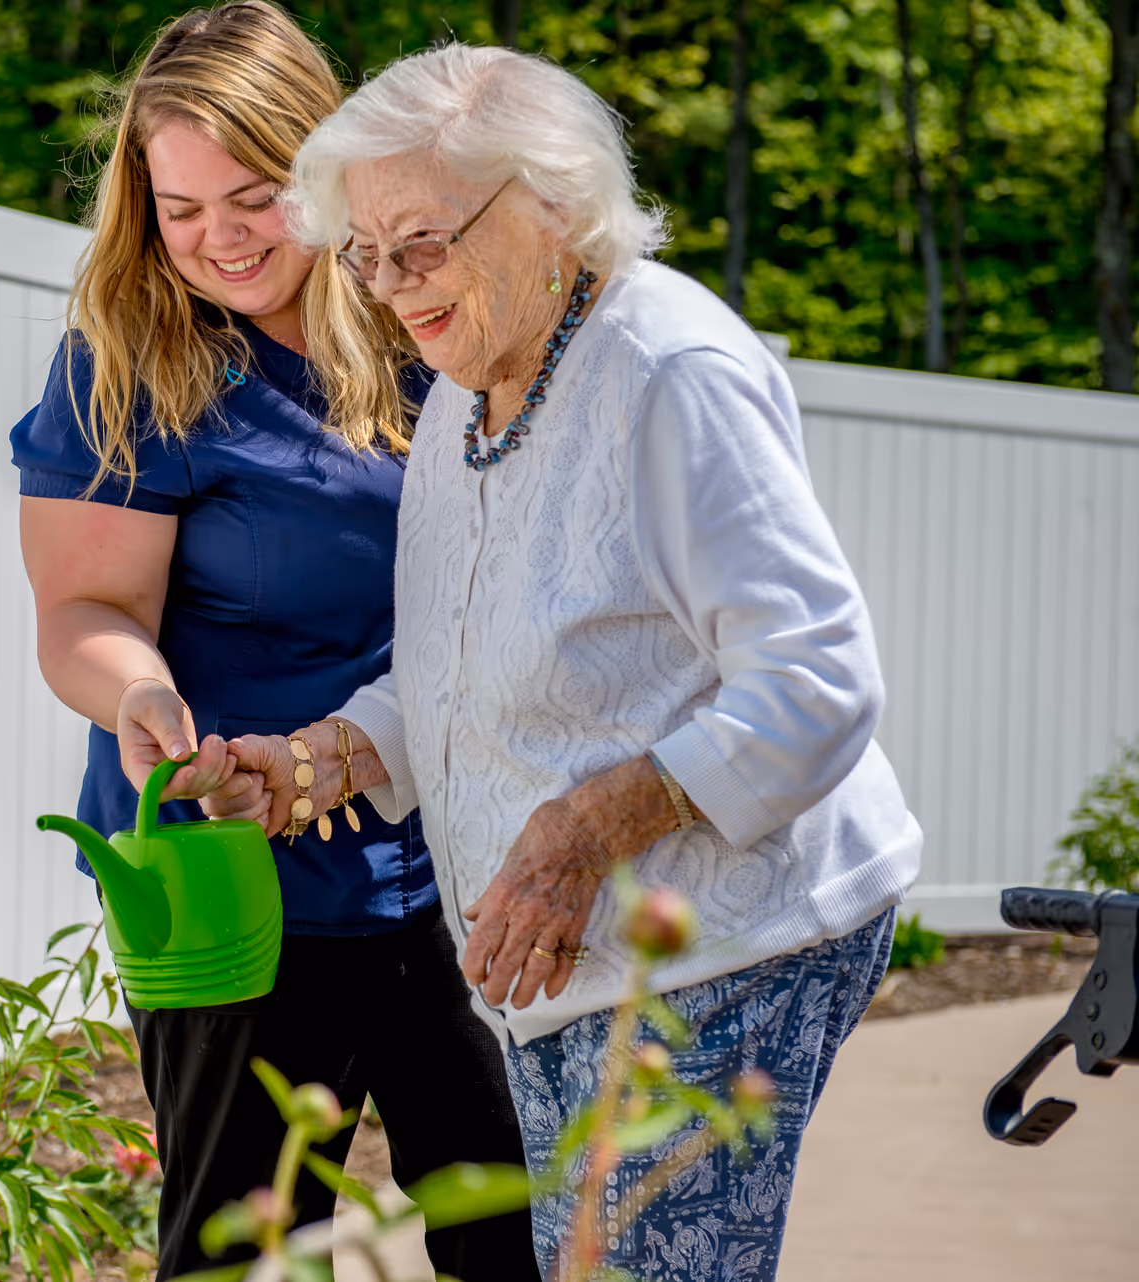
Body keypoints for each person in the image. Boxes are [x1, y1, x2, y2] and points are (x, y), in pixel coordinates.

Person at [204, 43, 924, 1281]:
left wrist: (585, 829)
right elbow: (457, 662)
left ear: (554, 206)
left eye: (420, 243)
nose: (387, 286)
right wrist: (324, 759)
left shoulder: (667, 372)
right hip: (560, 966)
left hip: (728, 942)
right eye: (367, 254)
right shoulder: (463, 385)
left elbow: (817, 679)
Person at [10, 6, 534, 1277]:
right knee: (246, 1251)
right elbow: (86, 616)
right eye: (178, 209)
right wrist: (139, 693)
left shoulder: (429, 324)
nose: (218, 240)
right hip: (233, 882)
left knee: (515, 1232)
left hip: (461, 868)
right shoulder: (132, 363)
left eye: (252, 196)